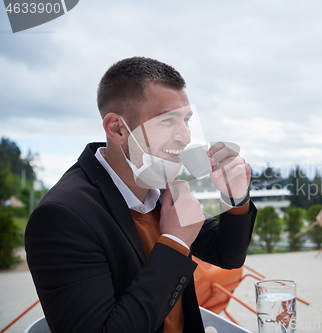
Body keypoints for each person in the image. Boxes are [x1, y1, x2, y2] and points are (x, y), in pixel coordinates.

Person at [25, 57, 257, 333]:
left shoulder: (158, 188)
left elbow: (228, 255)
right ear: (117, 129)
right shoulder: (61, 217)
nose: (184, 136)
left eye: (186, 120)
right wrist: (174, 243)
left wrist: (235, 197)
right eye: (167, 120)